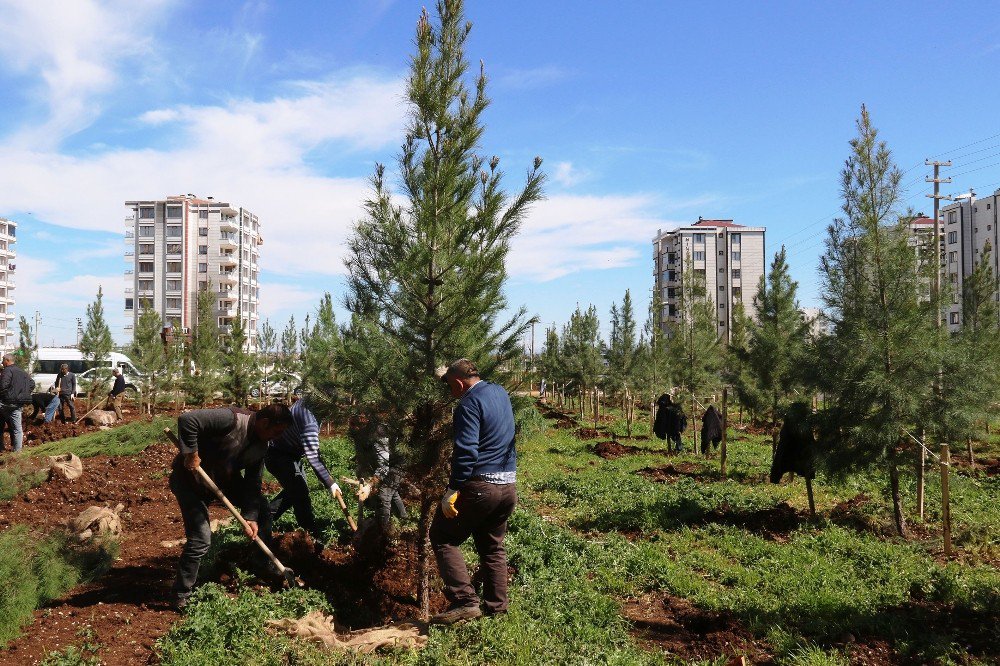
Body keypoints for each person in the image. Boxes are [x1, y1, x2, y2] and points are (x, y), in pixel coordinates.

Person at [169, 403, 293, 610]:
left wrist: (251, 516)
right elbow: (187, 420)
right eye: (276, 431)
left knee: (262, 509)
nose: (277, 437)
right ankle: (181, 594)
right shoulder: (231, 419)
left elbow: (253, 483)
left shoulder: (261, 447)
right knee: (201, 539)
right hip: (189, 481)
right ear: (264, 423)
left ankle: (261, 563)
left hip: (223, 480)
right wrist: (191, 454)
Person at [429, 358, 517, 625]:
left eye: (449, 386)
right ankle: (497, 609)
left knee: (443, 536)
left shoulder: (467, 404)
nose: (449, 392)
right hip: (508, 486)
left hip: (481, 486)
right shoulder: (500, 392)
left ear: (458, 383)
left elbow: (467, 452)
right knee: (492, 547)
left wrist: (453, 489)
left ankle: (465, 602)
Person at [265, 399, 342, 541]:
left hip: (289, 453)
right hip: (278, 455)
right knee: (300, 495)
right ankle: (311, 537)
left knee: (295, 491)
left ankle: (265, 516)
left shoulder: (308, 401)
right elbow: (314, 457)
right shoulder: (309, 422)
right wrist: (330, 483)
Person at [350, 415, 408, 536]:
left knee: (384, 496)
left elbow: (383, 467)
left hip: (396, 464)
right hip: (385, 464)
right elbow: (362, 458)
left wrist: (369, 485)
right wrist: (361, 475)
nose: (352, 429)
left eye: (355, 426)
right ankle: (403, 519)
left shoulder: (378, 435)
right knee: (393, 491)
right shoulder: (359, 435)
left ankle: (382, 534)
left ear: (363, 425)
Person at [0, 353, 33, 452]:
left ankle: (1, 448)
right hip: (18, 404)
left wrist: (6, 395)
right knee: (18, 429)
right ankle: (18, 452)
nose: (2, 363)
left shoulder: (7, 370)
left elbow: (3, 386)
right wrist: (22, 394)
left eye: (3, 360)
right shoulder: (23, 372)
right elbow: (32, 383)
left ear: (7, 361)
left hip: (5, 403)